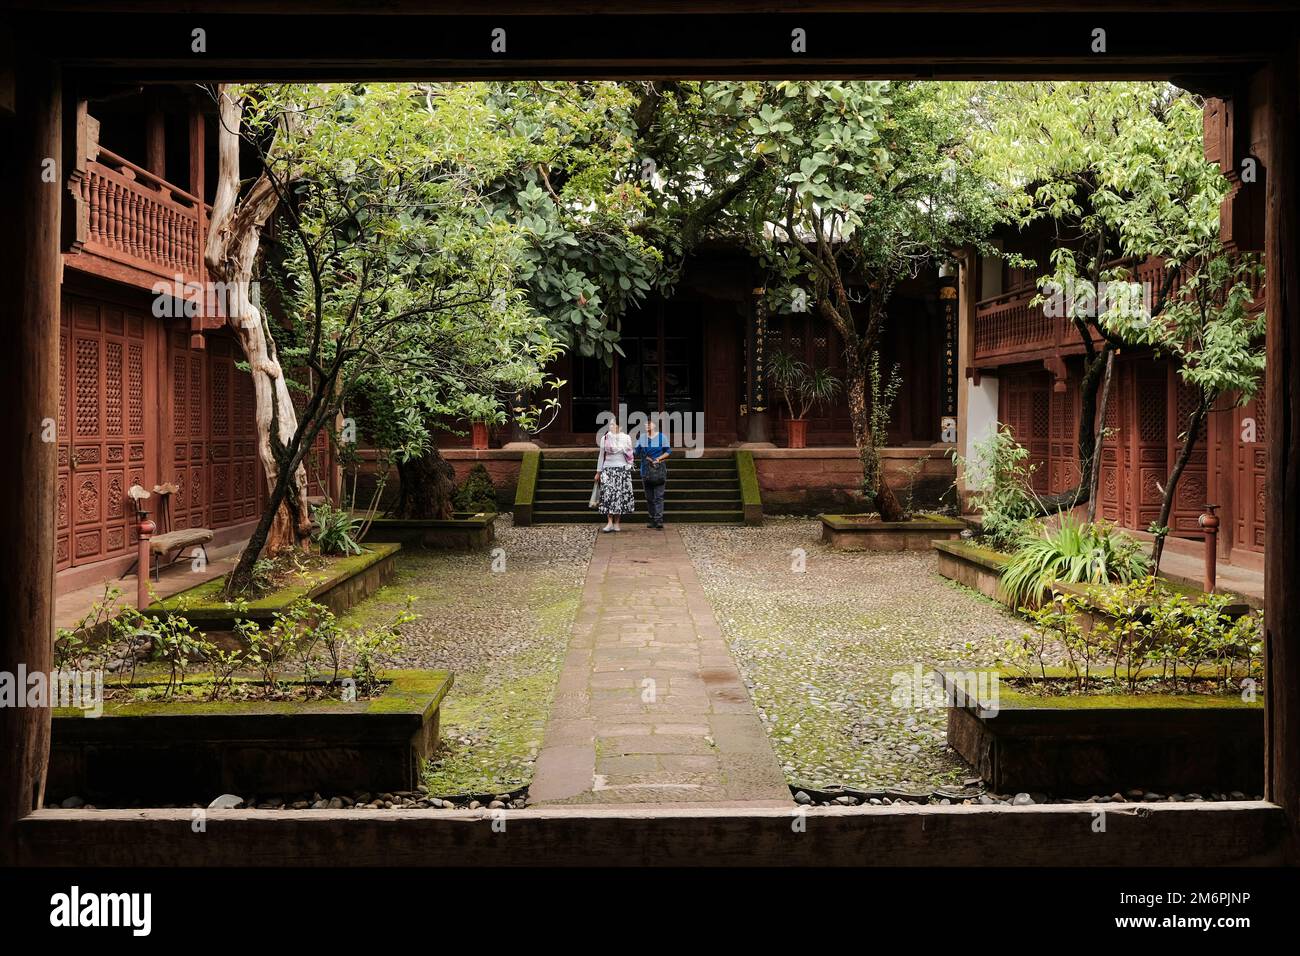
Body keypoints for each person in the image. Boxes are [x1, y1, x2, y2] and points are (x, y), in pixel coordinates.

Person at [594, 419, 635, 532]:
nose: (611, 426)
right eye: (610, 424)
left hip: (622, 469)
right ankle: (609, 522)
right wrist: (598, 472)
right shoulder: (605, 438)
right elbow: (601, 456)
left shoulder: (626, 438)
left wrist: (629, 467)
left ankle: (617, 522)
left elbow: (630, 454)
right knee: (608, 494)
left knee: (619, 496)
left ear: (619, 426)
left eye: (613, 424)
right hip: (608, 469)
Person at [635, 417, 673, 530]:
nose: (647, 425)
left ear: (655, 425)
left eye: (649, 423)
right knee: (649, 497)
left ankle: (659, 519)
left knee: (659, 496)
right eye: (645, 424)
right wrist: (638, 446)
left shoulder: (662, 437)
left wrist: (659, 459)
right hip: (645, 469)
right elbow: (637, 452)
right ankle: (651, 518)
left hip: (659, 468)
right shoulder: (642, 437)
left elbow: (668, 451)